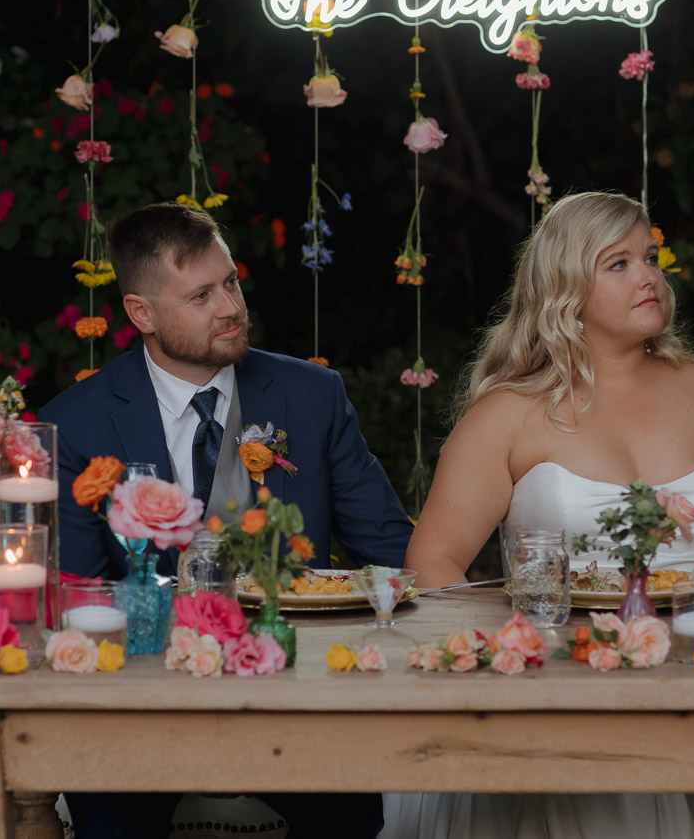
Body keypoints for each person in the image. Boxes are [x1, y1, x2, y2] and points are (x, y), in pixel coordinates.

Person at [390, 191, 694, 839]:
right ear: (565, 289)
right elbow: (432, 562)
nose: (649, 275)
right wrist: (522, 638)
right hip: (562, 686)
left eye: (651, 257)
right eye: (619, 263)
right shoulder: (506, 417)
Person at [41, 200, 414, 839]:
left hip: (297, 693)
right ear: (141, 314)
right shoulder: (77, 422)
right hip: (140, 704)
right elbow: (78, 591)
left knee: (351, 819)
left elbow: (391, 547)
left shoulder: (312, 396)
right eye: (201, 295)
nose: (230, 307)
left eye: (232, 282)